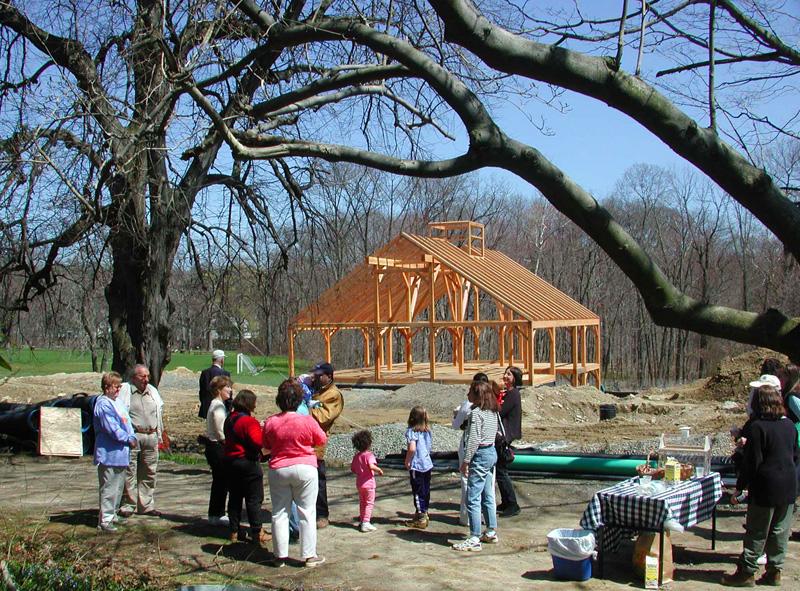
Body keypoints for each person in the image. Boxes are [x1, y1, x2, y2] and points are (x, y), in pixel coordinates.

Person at [721, 385, 799, 587]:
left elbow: (752, 462)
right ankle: (775, 571)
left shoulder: (758, 428)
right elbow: (795, 455)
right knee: (780, 531)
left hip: (766, 486)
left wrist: (740, 487)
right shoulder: (790, 425)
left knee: (757, 530)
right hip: (789, 485)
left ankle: (746, 572)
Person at [262, 380, 327, 568]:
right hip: (305, 467)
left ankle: (279, 556)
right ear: (299, 400)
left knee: (279, 513)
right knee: (307, 512)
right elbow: (321, 439)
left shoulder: (271, 421)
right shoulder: (307, 420)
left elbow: (266, 446)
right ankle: (309, 556)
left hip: (279, 468)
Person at [452, 380, 500, 552]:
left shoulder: (476, 414)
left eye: (470, 392)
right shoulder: (493, 412)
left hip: (480, 455)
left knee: (472, 497)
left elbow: (473, 440)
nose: (467, 395)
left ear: (477, 395)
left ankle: (474, 536)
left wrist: (466, 461)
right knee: (488, 493)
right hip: (491, 452)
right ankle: (491, 530)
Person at [223, 389, 270, 546]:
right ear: (249, 403)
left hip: (230, 462)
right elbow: (258, 443)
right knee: (254, 499)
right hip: (247, 463)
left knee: (235, 498)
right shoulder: (249, 422)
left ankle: (234, 531)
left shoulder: (230, 418)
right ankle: (257, 532)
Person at [93, 371, 138, 532]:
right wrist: (127, 438)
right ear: (107, 387)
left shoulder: (117, 402)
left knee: (119, 487)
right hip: (109, 452)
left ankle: (112, 515)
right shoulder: (103, 404)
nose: (118, 390)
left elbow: (127, 423)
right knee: (109, 487)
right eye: (115, 386)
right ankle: (104, 520)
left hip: (121, 454)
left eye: (120, 386)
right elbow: (111, 427)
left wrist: (132, 436)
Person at [118, 364, 164, 517]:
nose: (146, 379)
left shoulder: (152, 392)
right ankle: (128, 505)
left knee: (149, 472)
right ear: (133, 378)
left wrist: (161, 434)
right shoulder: (125, 392)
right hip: (134, 436)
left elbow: (159, 413)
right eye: (142, 376)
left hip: (151, 436)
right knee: (129, 471)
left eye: (147, 376)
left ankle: (146, 505)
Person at [309, 362, 344, 529]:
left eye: (319, 375)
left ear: (329, 376)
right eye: (315, 374)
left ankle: (322, 514)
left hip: (317, 443)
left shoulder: (333, 395)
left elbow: (323, 417)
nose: (316, 377)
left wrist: (303, 408)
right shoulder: (314, 390)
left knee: (318, 479)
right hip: (303, 441)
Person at [204, 375, 233, 526]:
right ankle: (217, 514)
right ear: (219, 390)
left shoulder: (217, 404)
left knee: (220, 481)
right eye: (227, 387)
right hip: (217, 447)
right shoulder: (218, 406)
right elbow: (220, 430)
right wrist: (228, 443)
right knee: (221, 481)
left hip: (214, 446)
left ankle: (216, 513)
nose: (230, 390)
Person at [497, 366, 522, 517]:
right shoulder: (508, 393)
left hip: (506, 434)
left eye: (509, 375)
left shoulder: (513, 394)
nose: (505, 376)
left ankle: (512, 504)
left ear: (515, 378)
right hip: (504, 433)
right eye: (505, 373)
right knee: (500, 470)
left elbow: (501, 411)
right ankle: (506, 501)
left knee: (501, 471)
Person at [404, 405, 433, 529]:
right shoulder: (427, 431)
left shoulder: (412, 431)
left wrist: (407, 460)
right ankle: (424, 511)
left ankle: (421, 516)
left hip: (417, 465)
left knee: (417, 490)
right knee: (425, 489)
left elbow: (412, 448)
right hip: (427, 464)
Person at [351, 430, 383, 533]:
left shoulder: (356, 457)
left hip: (360, 484)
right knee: (369, 503)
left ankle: (362, 520)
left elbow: (353, 469)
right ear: (369, 443)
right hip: (369, 484)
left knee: (362, 502)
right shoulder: (369, 455)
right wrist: (379, 470)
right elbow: (371, 465)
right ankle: (366, 522)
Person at [198, 350, 230, 419]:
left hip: (207, 407)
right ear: (222, 360)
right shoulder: (225, 373)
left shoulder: (205, 373)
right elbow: (228, 394)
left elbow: (202, 392)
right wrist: (229, 407)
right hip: (220, 407)